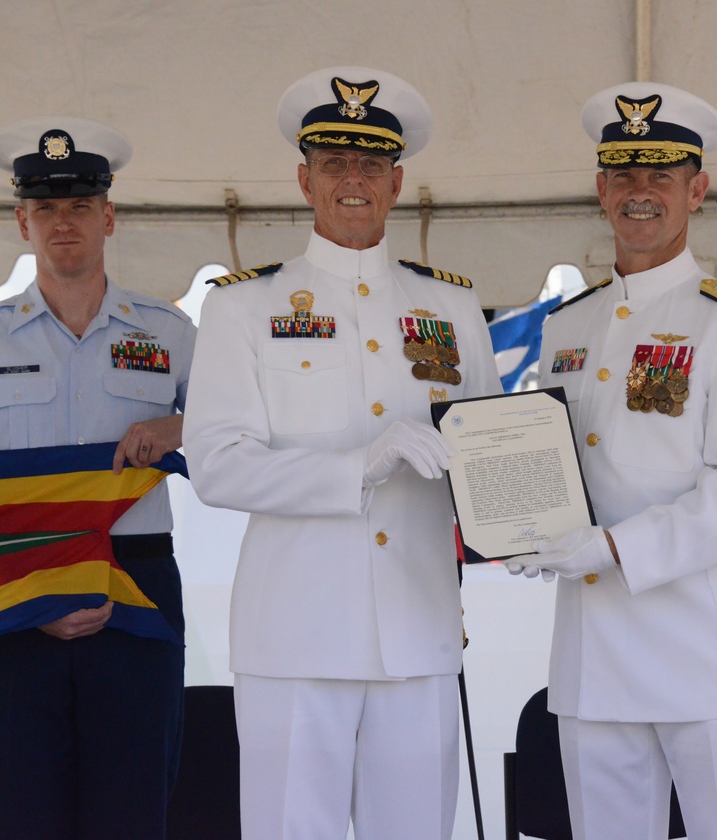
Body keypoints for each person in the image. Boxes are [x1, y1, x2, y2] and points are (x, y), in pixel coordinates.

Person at [181, 66, 501, 840]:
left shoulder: (451, 306)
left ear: (396, 183)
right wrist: (356, 464)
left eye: (369, 165)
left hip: (418, 628)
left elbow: (492, 448)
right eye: (333, 163)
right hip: (294, 634)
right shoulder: (242, 305)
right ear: (303, 179)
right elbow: (216, 463)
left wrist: (531, 519)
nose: (351, 180)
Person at [505, 82, 717, 839]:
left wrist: (608, 547)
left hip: (702, 653)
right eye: (624, 176)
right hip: (592, 657)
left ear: (696, 190)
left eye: (661, 177)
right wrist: (513, 513)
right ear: (602, 189)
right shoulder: (566, 326)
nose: (641, 194)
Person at [0, 117, 195, 839]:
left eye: (79, 206)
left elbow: (237, 444)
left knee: (134, 816)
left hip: (136, 590)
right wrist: (30, 602)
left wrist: (178, 429)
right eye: (45, 207)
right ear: (21, 222)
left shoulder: (168, 333)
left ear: (108, 217)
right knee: (21, 818)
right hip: (16, 607)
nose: (62, 222)